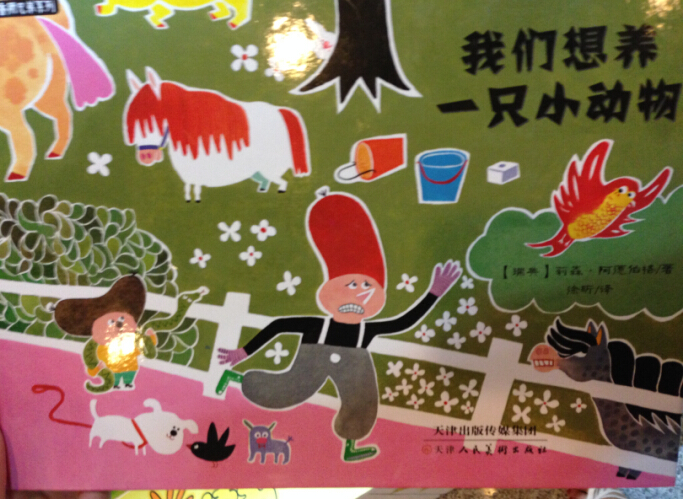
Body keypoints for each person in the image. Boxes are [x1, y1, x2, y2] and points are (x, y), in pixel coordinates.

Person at [216, 190, 461, 462]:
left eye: (367, 286)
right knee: (288, 389)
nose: (357, 294)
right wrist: (244, 352)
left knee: (361, 399)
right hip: (311, 362)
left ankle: (351, 446)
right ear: (328, 292)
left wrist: (433, 294)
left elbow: (403, 322)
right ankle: (235, 378)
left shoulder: (366, 331)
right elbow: (279, 325)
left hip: (354, 364)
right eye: (350, 285)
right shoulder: (316, 325)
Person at [54, 275, 157, 392]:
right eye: (111, 322)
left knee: (129, 377)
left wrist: (151, 338)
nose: (117, 324)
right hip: (114, 370)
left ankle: (127, 383)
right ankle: (117, 384)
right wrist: (95, 369)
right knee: (117, 378)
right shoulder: (100, 348)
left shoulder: (132, 340)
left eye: (122, 319)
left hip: (131, 368)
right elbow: (93, 361)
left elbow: (143, 348)